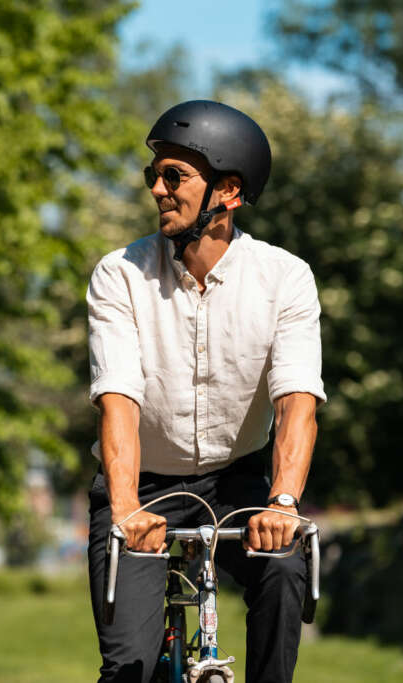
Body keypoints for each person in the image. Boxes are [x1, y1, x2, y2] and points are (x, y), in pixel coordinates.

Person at [85, 100, 325, 683]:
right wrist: (124, 509)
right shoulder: (119, 274)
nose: (159, 190)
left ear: (229, 192)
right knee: (130, 668)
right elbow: (118, 398)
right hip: (141, 486)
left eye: (175, 176)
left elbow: (296, 402)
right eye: (154, 176)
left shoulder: (284, 277)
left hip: (238, 480)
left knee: (285, 568)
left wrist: (284, 504)